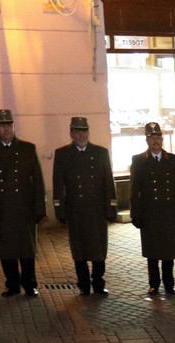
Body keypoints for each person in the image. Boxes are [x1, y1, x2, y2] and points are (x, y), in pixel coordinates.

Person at [0, 108, 45, 297]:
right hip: (0, 208)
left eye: (9, 125)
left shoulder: (27, 148)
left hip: (23, 208)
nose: (6, 129)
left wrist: (39, 207)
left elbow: (37, 180)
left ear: (13, 126)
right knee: (6, 249)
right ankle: (12, 284)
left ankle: (30, 284)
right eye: (2, 126)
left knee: (27, 249)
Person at [50, 116, 118, 296]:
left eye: (84, 131)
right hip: (76, 210)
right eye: (77, 131)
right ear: (71, 133)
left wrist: (111, 208)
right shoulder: (63, 154)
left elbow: (108, 183)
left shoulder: (100, 153)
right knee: (78, 250)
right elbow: (58, 185)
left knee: (98, 249)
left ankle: (98, 283)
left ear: (88, 132)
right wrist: (60, 210)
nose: (81, 135)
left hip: (96, 210)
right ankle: (83, 284)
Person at [129, 121, 175, 297]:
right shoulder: (139, 161)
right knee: (152, 251)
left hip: (168, 212)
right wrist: (135, 214)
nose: (155, 140)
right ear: (146, 140)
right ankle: (154, 284)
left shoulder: (173, 160)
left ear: (162, 139)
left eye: (158, 137)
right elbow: (134, 190)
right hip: (150, 213)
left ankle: (169, 283)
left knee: (168, 251)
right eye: (152, 137)